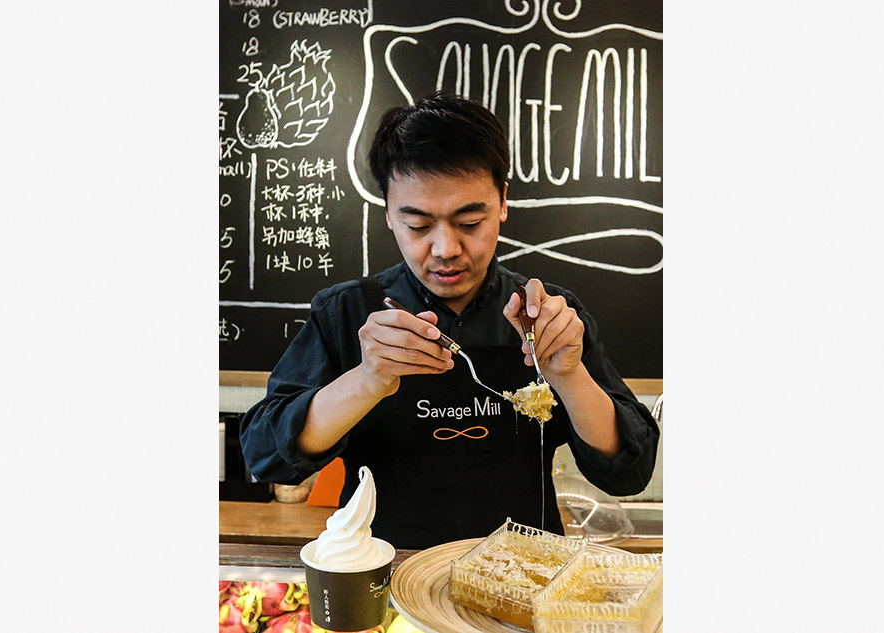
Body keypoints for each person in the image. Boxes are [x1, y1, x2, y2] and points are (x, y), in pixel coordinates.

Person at [240, 93, 659, 550]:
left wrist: (569, 375)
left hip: (520, 584)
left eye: (470, 221)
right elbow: (265, 456)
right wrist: (366, 380)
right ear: (388, 215)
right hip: (388, 580)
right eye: (418, 226)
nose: (445, 249)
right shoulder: (345, 312)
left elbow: (629, 471)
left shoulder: (549, 312)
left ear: (502, 202)